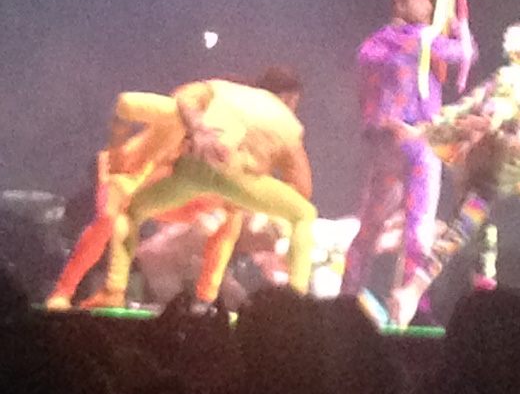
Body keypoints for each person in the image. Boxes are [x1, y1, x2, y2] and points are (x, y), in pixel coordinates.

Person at [47, 70, 323, 306]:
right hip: (136, 175)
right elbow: (128, 104)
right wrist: (117, 147)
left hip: (186, 184)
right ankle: (66, 291)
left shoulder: (247, 127)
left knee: (231, 217)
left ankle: (206, 299)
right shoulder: (180, 112)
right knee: (110, 218)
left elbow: (292, 183)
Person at [392, 22, 520, 327]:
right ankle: (417, 290)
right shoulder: (518, 80)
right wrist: (430, 128)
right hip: (487, 160)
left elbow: (482, 105)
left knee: (479, 228)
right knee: (466, 226)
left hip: (483, 157)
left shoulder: (515, 81)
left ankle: (473, 290)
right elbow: (483, 106)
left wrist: (429, 128)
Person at [351, 0, 475, 324]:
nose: (429, 7)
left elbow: (367, 92)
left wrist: (382, 122)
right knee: (418, 226)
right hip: (418, 141)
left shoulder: (372, 45)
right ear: (401, 5)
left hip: (387, 141)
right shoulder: (421, 38)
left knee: (371, 225)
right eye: (423, 1)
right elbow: (466, 53)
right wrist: (457, 24)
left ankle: (347, 295)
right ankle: (413, 307)